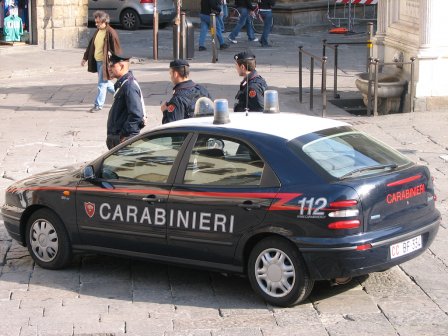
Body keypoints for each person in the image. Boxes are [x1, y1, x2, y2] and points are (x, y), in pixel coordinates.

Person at [81, 10, 121, 113]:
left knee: (101, 84)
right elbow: (91, 46)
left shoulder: (111, 33)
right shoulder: (98, 31)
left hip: (105, 63)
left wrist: (114, 62)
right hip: (98, 61)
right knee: (106, 83)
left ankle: (98, 105)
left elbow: (116, 49)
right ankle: (121, 94)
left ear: (104, 21)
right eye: (96, 22)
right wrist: (85, 58)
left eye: (98, 22)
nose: (96, 24)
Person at [105, 53, 145, 150]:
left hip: (125, 140)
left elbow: (136, 115)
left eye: (112, 65)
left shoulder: (129, 86)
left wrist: (123, 135)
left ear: (122, 66)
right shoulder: (124, 84)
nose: (109, 69)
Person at [161, 59, 212, 124]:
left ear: (175, 74)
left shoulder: (177, 99)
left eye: (170, 73)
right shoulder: (202, 90)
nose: (170, 77)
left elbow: (170, 127)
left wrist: (165, 111)